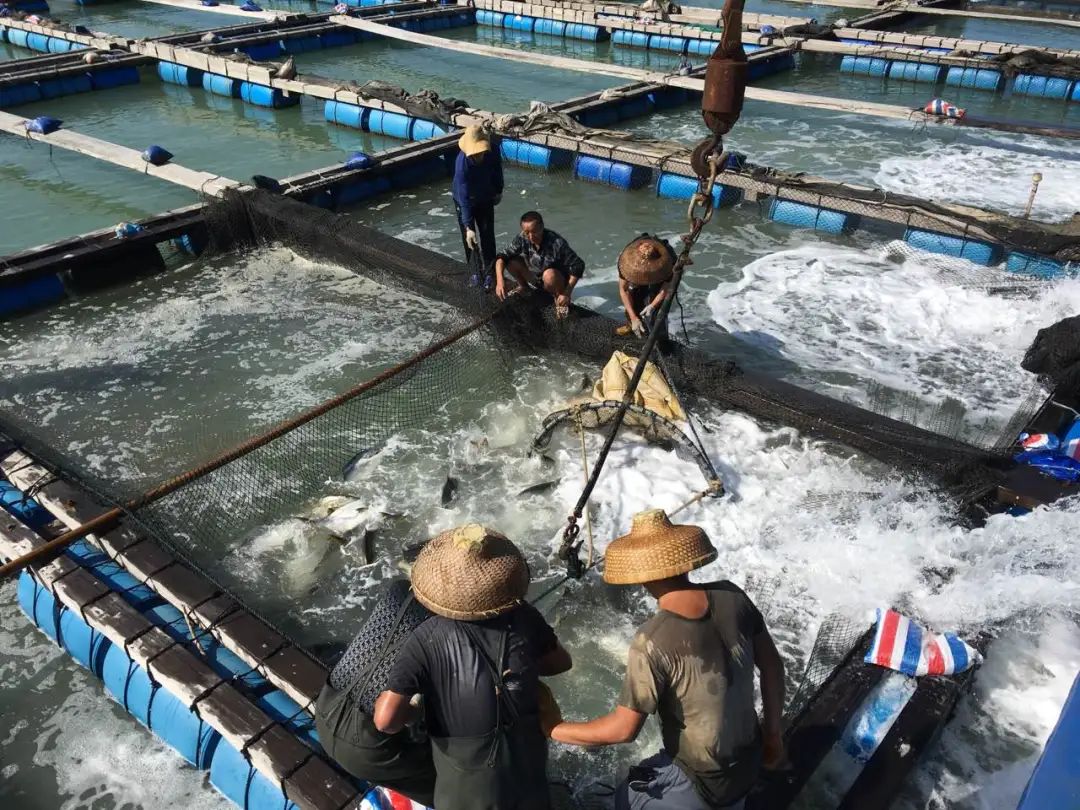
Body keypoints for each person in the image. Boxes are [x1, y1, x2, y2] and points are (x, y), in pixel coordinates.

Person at [547, 509, 786, 810]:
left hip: (703, 785)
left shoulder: (651, 639)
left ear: (641, 575)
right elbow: (773, 667)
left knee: (623, 799)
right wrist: (773, 735)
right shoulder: (733, 595)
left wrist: (554, 728)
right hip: (749, 763)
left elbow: (623, 730)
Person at [373, 523, 573, 810]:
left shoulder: (423, 638)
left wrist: (417, 709)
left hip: (465, 788)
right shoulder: (525, 618)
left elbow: (386, 721)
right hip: (526, 771)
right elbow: (561, 663)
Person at [314, 579, 437, 806]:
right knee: (449, 782)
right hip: (367, 747)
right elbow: (387, 721)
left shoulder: (400, 587)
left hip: (325, 709)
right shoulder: (443, 628)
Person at [494, 211, 585, 317]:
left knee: (550, 275)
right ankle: (524, 287)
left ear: (542, 227)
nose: (531, 237)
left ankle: (560, 299)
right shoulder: (522, 238)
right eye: (527, 232)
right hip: (535, 278)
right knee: (510, 261)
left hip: (555, 280)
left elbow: (578, 265)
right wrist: (500, 281)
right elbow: (501, 258)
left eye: (534, 231)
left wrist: (567, 293)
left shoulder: (556, 242)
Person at [452, 125, 504, 287]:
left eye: (481, 152)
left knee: (487, 235)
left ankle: (490, 273)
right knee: (470, 240)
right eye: (476, 154)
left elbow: (497, 171)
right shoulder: (462, 164)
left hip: (486, 197)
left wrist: (498, 190)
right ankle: (475, 271)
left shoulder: (493, 151)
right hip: (465, 201)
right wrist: (468, 227)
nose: (479, 156)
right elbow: (464, 196)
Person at [615, 234, 675, 339]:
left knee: (657, 312)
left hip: (659, 273)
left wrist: (652, 306)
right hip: (635, 265)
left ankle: (661, 338)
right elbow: (624, 290)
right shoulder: (626, 261)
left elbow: (665, 288)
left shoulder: (667, 263)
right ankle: (632, 324)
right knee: (633, 295)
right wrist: (633, 318)